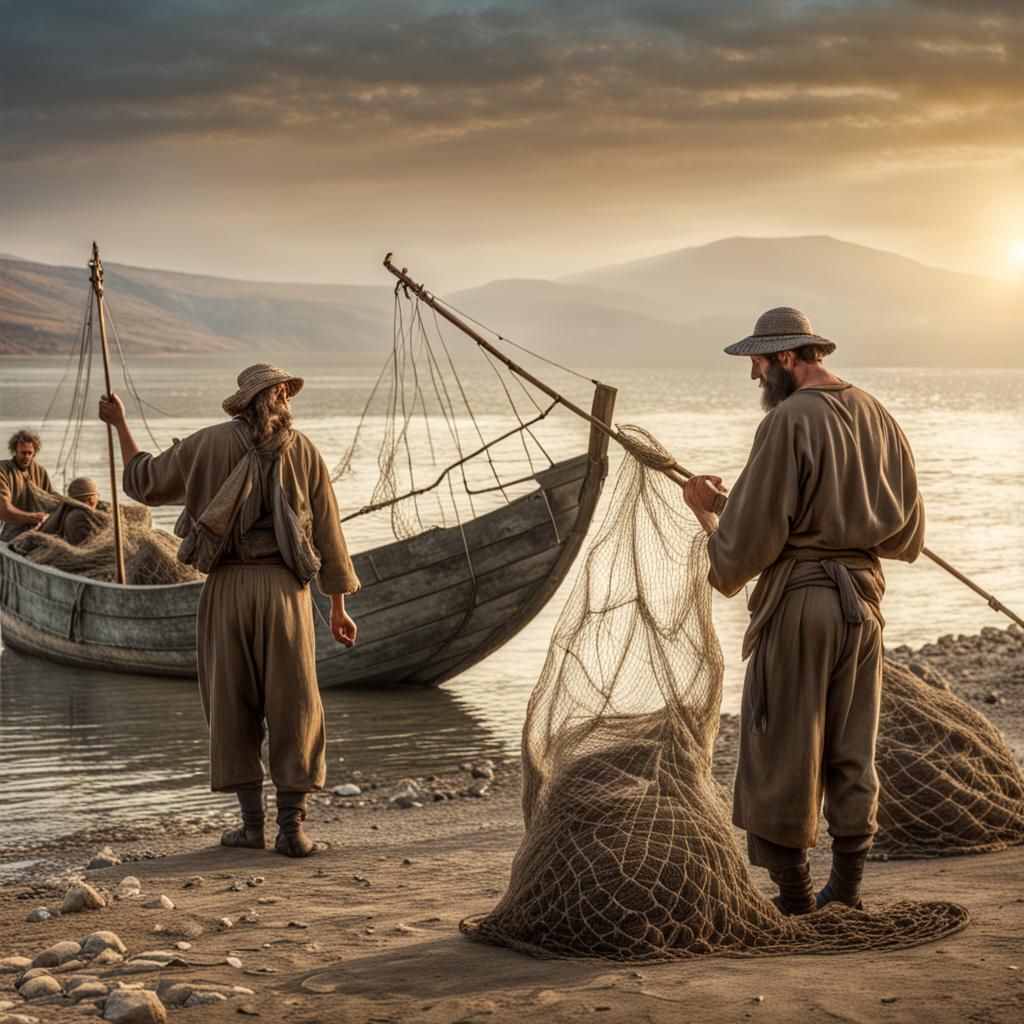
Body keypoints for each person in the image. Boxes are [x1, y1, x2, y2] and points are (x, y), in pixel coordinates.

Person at [682, 307, 924, 915]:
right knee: (851, 748)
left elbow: (745, 549)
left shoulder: (787, 421)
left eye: (759, 363)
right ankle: (847, 894)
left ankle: (794, 901)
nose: (755, 376)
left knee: (779, 746)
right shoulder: (877, 413)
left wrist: (707, 513)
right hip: (864, 608)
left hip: (803, 606)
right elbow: (907, 536)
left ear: (787, 358)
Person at [99, 364, 361, 857]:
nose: (286, 393)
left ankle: (251, 827)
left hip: (227, 589)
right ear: (280, 397)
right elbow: (329, 533)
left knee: (230, 702)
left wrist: (121, 425)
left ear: (244, 401)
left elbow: (143, 483)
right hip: (287, 595)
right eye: (285, 389)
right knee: (296, 706)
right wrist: (339, 606)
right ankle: (292, 830)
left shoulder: (206, 444)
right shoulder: (304, 451)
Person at [0, 429, 58, 541]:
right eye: (23, 452)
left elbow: (50, 500)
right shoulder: (3, 470)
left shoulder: (40, 472)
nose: (26, 456)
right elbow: (3, 509)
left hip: (38, 528)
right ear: (15, 451)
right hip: (10, 529)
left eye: (29, 453)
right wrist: (34, 518)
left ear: (34, 453)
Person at [60, 477, 105, 545]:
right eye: (97, 495)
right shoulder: (79, 517)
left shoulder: (71, 513)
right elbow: (89, 544)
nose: (98, 498)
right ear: (90, 500)